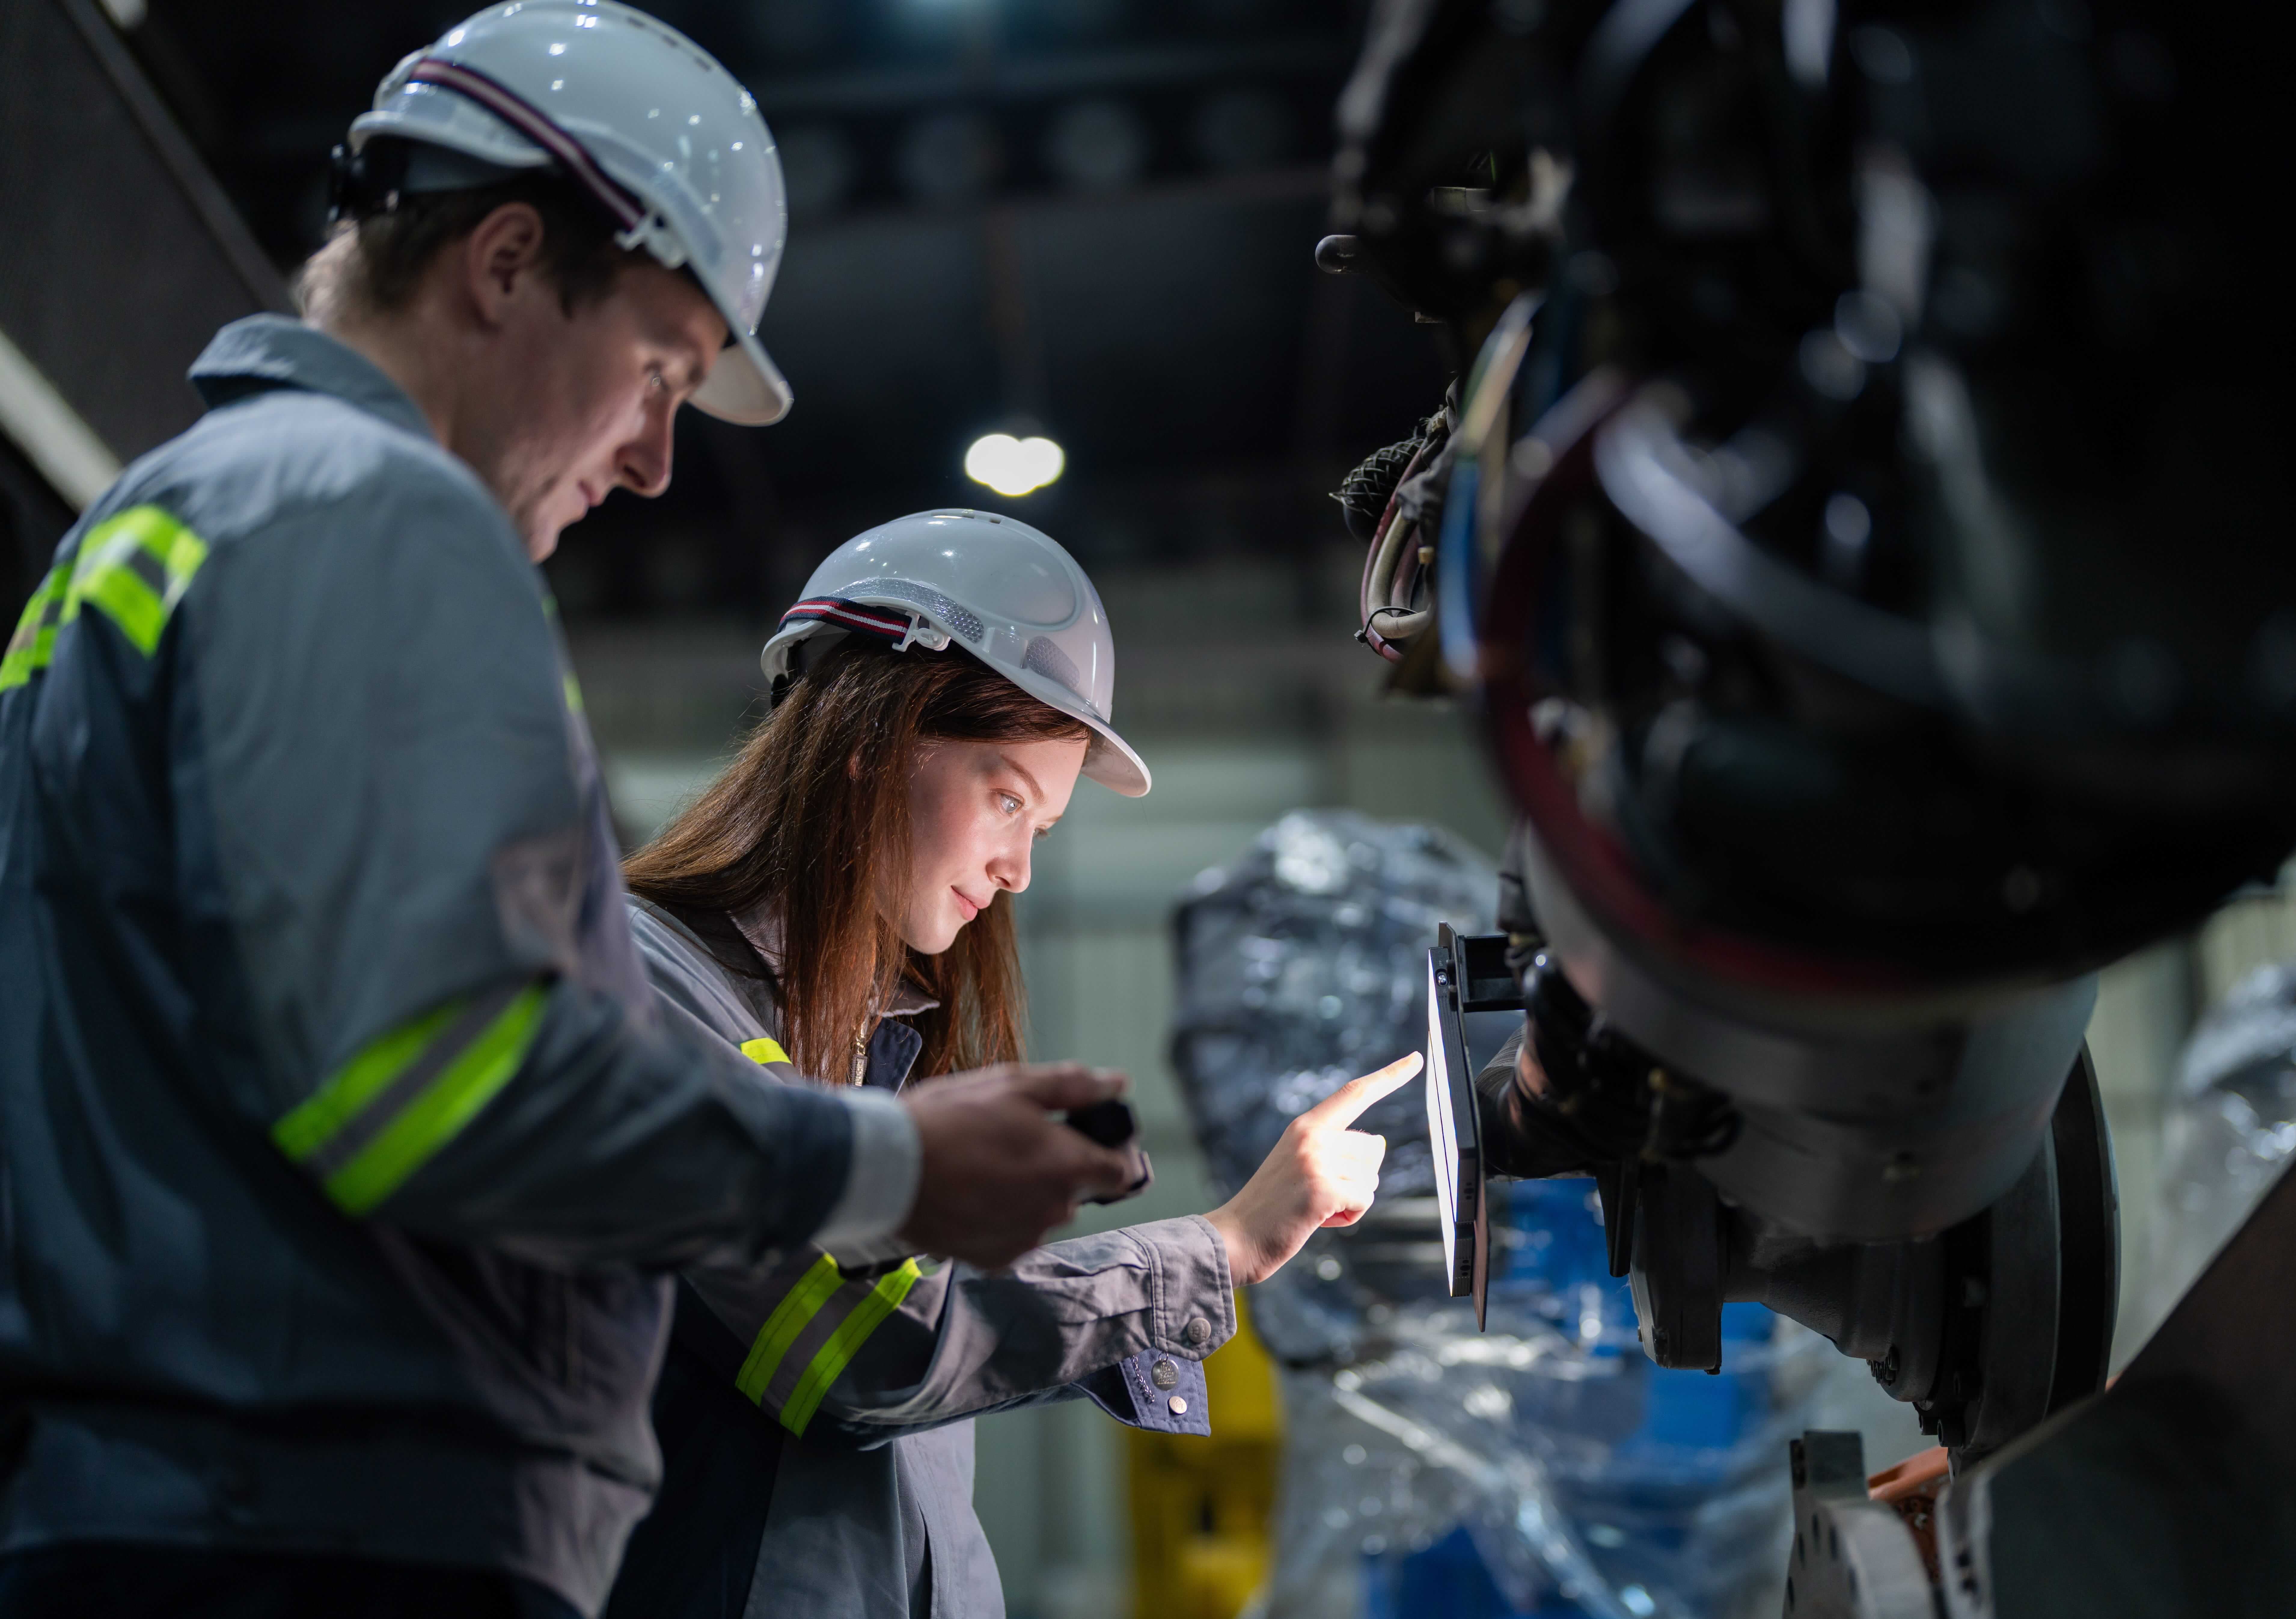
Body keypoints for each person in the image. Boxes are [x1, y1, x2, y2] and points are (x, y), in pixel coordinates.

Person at [0, 10, 1135, 1617]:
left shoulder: (154, 528)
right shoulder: (372, 513)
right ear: (509, 261)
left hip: (178, 1494)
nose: (660, 459)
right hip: (323, 1528)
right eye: (661, 368)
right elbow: (438, 1071)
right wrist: (880, 1162)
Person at [600, 511, 1419, 1619]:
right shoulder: (643, 984)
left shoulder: (872, 1047)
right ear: (871, 740)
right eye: (1007, 799)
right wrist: (1222, 1247)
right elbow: (870, 1347)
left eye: (1041, 822)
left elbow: (940, 1349)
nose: (1021, 869)